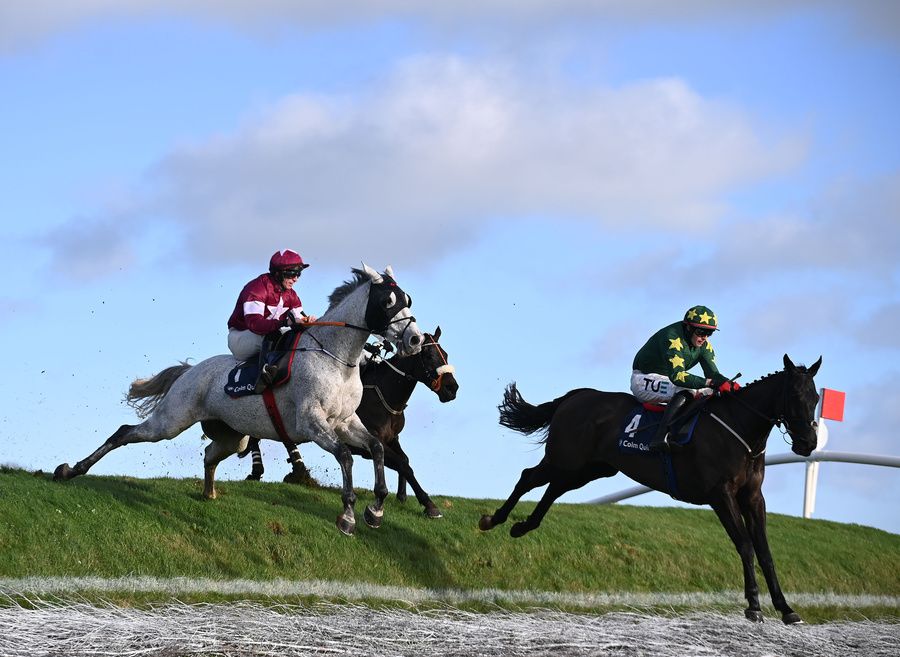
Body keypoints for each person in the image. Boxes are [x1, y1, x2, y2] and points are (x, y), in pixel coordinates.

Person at [630, 305, 740, 451]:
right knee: (687, 389)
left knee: (709, 392)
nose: (704, 337)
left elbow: (713, 375)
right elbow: (678, 376)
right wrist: (711, 382)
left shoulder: (705, 346)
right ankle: (660, 436)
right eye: (701, 332)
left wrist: (728, 384)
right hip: (643, 379)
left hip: (667, 379)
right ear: (688, 327)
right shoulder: (672, 338)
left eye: (709, 333)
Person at [227, 249, 317, 390]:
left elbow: (299, 318)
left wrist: (307, 322)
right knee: (277, 334)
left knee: (297, 335)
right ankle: (262, 376)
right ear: (278, 273)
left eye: (298, 274)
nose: (296, 278)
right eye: (292, 273)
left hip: (264, 337)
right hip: (240, 338)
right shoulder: (257, 288)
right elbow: (255, 325)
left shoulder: (291, 295)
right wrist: (285, 322)